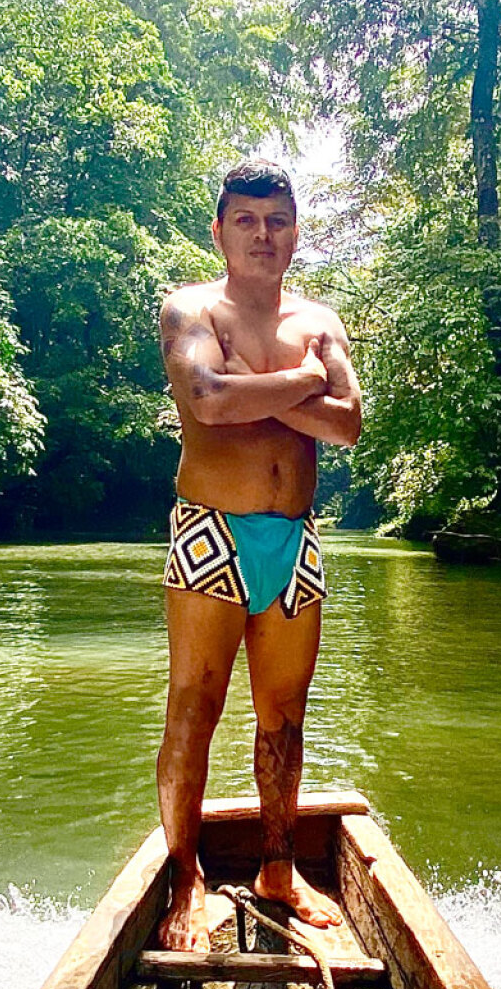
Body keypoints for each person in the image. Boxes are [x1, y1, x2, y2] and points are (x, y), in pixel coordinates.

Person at [155, 155, 362, 948]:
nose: (262, 234)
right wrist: (303, 383)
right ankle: (186, 879)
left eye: (276, 221)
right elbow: (207, 401)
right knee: (194, 706)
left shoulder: (319, 322)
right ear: (220, 232)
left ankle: (279, 866)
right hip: (211, 530)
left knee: (284, 716)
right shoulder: (191, 310)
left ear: (296, 233)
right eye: (245, 220)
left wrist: (261, 388)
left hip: (294, 540)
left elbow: (348, 424)